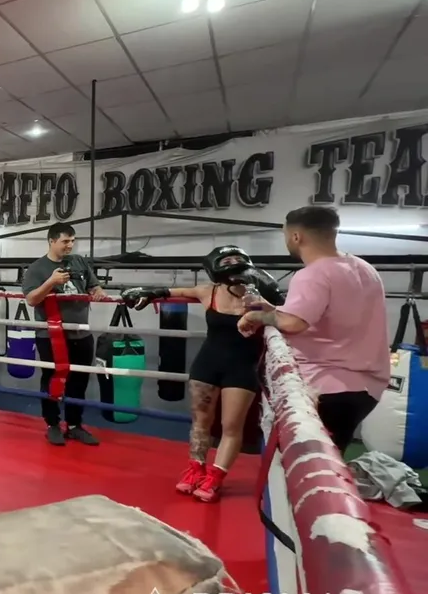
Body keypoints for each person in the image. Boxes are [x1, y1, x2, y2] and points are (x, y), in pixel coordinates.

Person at [123, 245, 284, 501]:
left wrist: (265, 298)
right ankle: (195, 470)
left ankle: (215, 477)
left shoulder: (258, 297)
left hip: (242, 368)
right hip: (207, 364)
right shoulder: (209, 291)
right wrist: (151, 292)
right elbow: (175, 291)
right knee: (200, 422)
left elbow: (284, 314)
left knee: (231, 426)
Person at [238, 205, 390, 453]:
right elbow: (324, 314)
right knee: (329, 459)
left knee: (307, 462)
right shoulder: (364, 268)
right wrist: (272, 309)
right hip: (366, 388)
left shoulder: (312, 274)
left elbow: (294, 323)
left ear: (296, 236)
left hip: (327, 386)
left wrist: (257, 316)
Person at [21, 223, 108, 446]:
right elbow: (31, 299)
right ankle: (52, 424)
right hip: (51, 335)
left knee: (79, 380)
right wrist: (51, 282)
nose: (70, 245)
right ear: (52, 241)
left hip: (81, 334)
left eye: (72, 241)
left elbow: (94, 286)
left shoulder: (79, 262)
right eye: (65, 241)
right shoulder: (37, 268)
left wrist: (98, 291)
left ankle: (74, 425)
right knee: (51, 379)